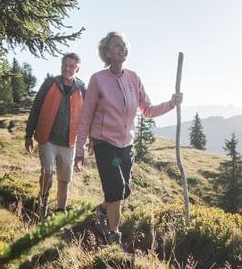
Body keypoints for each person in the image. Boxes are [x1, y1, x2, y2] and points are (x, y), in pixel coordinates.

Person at [75, 31, 182, 244]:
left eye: (124, 44)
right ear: (106, 53)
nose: (122, 48)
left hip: (127, 145)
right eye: (116, 45)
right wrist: (79, 150)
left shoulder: (134, 78)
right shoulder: (98, 79)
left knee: (123, 191)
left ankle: (102, 210)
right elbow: (86, 116)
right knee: (115, 188)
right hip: (104, 142)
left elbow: (148, 110)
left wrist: (171, 104)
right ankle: (114, 235)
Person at [25, 53, 85, 218]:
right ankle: (42, 206)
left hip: (69, 142)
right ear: (61, 65)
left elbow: (86, 118)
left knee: (64, 180)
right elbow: (36, 108)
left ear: (77, 68)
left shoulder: (82, 88)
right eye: (65, 64)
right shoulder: (50, 83)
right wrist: (28, 135)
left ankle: (60, 213)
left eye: (71, 66)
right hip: (47, 138)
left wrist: (86, 144)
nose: (67, 68)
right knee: (47, 171)